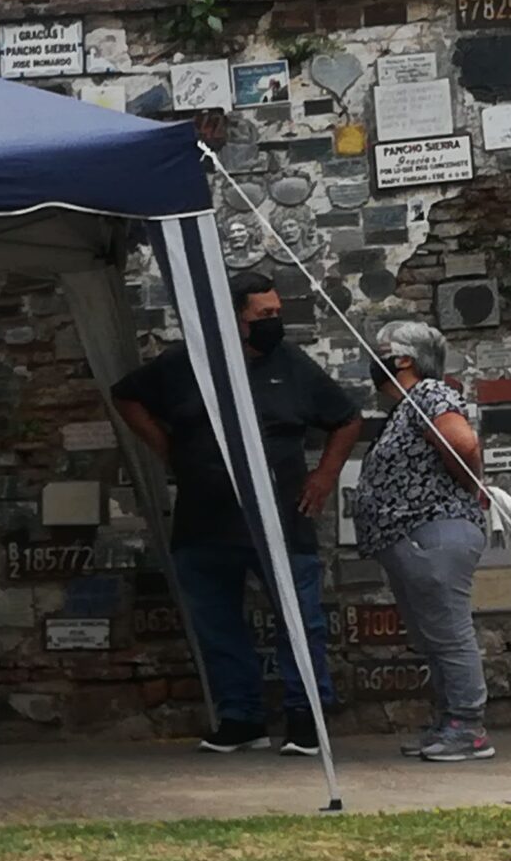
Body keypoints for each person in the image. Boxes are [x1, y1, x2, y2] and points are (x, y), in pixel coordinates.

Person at [113, 269, 361, 755]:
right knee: (216, 624)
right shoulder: (186, 364)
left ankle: (305, 716)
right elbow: (126, 396)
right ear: (234, 319)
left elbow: (347, 418)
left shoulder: (291, 364)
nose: (274, 321)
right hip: (205, 521)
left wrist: (324, 476)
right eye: (264, 314)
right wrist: (168, 451)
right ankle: (240, 717)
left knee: (300, 621)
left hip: (281, 519)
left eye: (277, 312)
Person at [353, 319, 493, 762]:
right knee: (434, 635)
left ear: (404, 360)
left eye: (381, 351)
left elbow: (464, 445)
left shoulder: (428, 393)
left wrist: (470, 485)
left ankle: (468, 727)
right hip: (415, 536)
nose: (372, 360)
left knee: (448, 633)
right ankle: (449, 721)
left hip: (433, 530)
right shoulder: (407, 406)